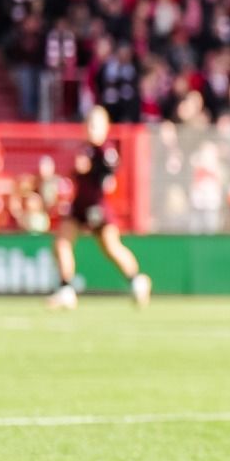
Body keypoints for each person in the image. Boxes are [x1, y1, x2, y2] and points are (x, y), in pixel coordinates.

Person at [47, 105, 152, 309]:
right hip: (80, 205)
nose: (91, 129)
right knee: (62, 243)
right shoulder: (85, 149)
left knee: (110, 247)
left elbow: (109, 176)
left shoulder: (104, 151)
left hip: (96, 207)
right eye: (89, 124)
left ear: (106, 127)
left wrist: (93, 171)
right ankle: (66, 289)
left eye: (95, 125)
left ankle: (137, 280)